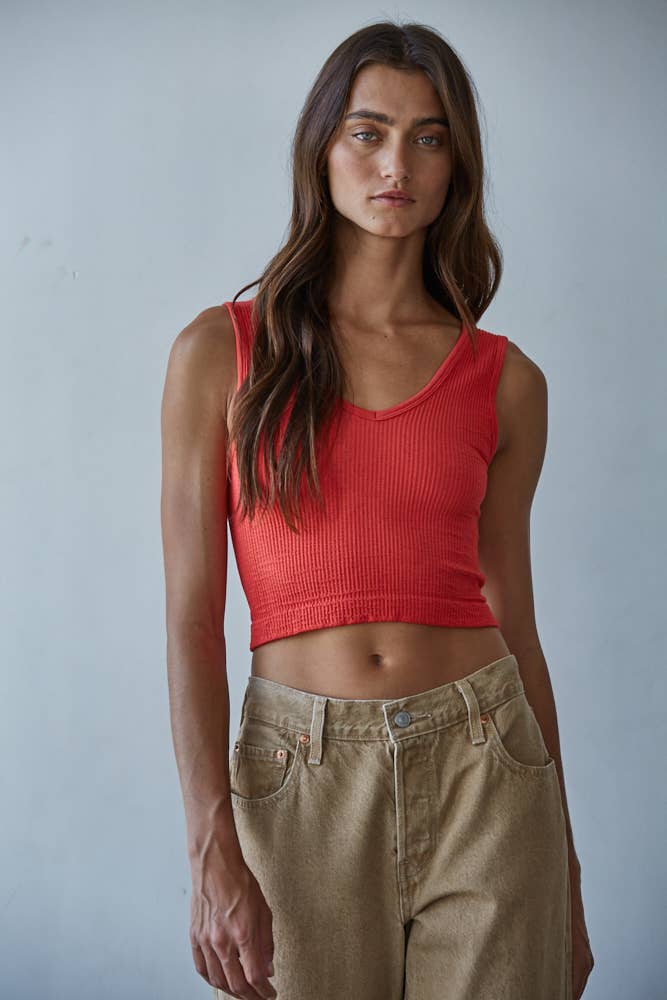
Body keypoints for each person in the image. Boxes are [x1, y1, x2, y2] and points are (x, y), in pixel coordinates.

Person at [160, 19, 594, 1000]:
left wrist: (566, 872)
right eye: (368, 132)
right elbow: (191, 620)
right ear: (321, 150)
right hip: (298, 777)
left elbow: (514, 619)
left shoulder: (505, 380)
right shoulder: (220, 354)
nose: (397, 164)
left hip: (488, 765)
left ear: (455, 166)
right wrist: (207, 841)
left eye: (428, 138)